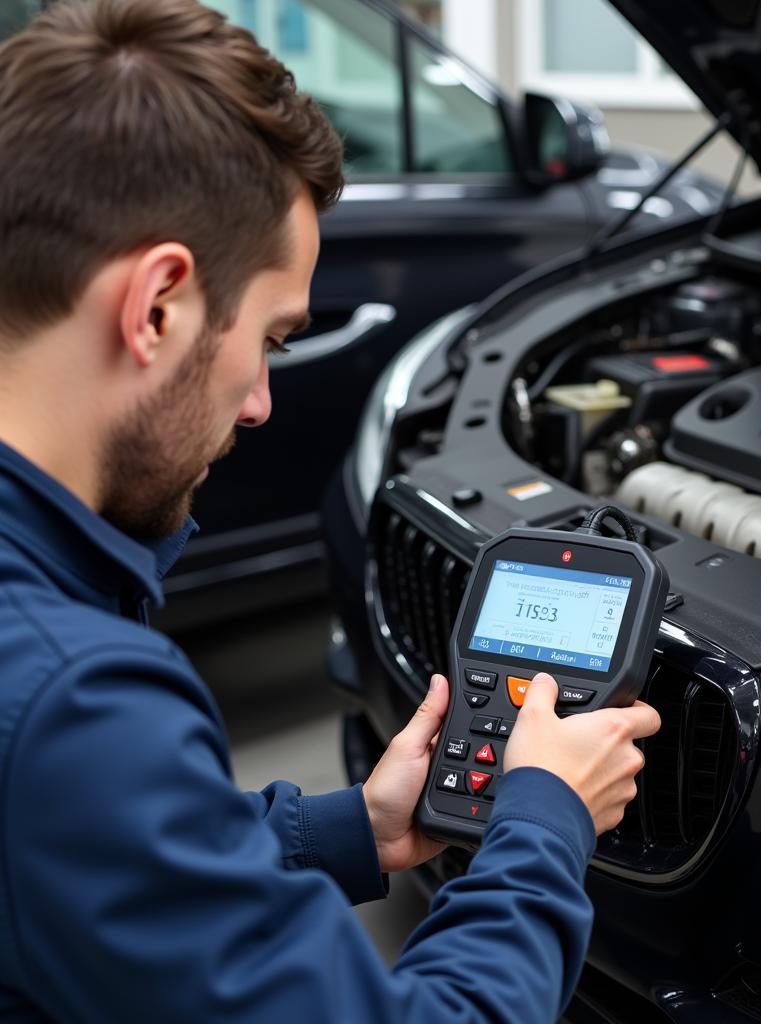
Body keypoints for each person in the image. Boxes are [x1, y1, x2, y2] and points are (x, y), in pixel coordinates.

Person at [0, 2, 661, 1021]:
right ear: (159, 305)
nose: (260, 400)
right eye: (269, 337)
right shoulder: (74, 704)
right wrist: (545, 820)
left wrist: (349, 829)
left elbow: (78, 857)